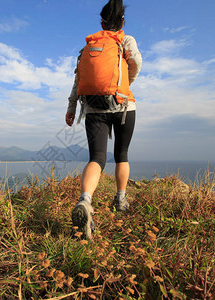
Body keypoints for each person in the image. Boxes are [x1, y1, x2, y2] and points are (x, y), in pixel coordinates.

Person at [65, 0, 142, 240]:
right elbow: (136, 62)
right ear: (122, 22)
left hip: (92, 107)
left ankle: (85, 201)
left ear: (101, 23)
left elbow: (78, 80)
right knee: (122, 154)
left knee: (97, 158)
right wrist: (126, 83)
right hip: (124, 106)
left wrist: (70, 107)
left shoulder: (89, 46)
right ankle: (120, 199)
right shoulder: (126, 40)